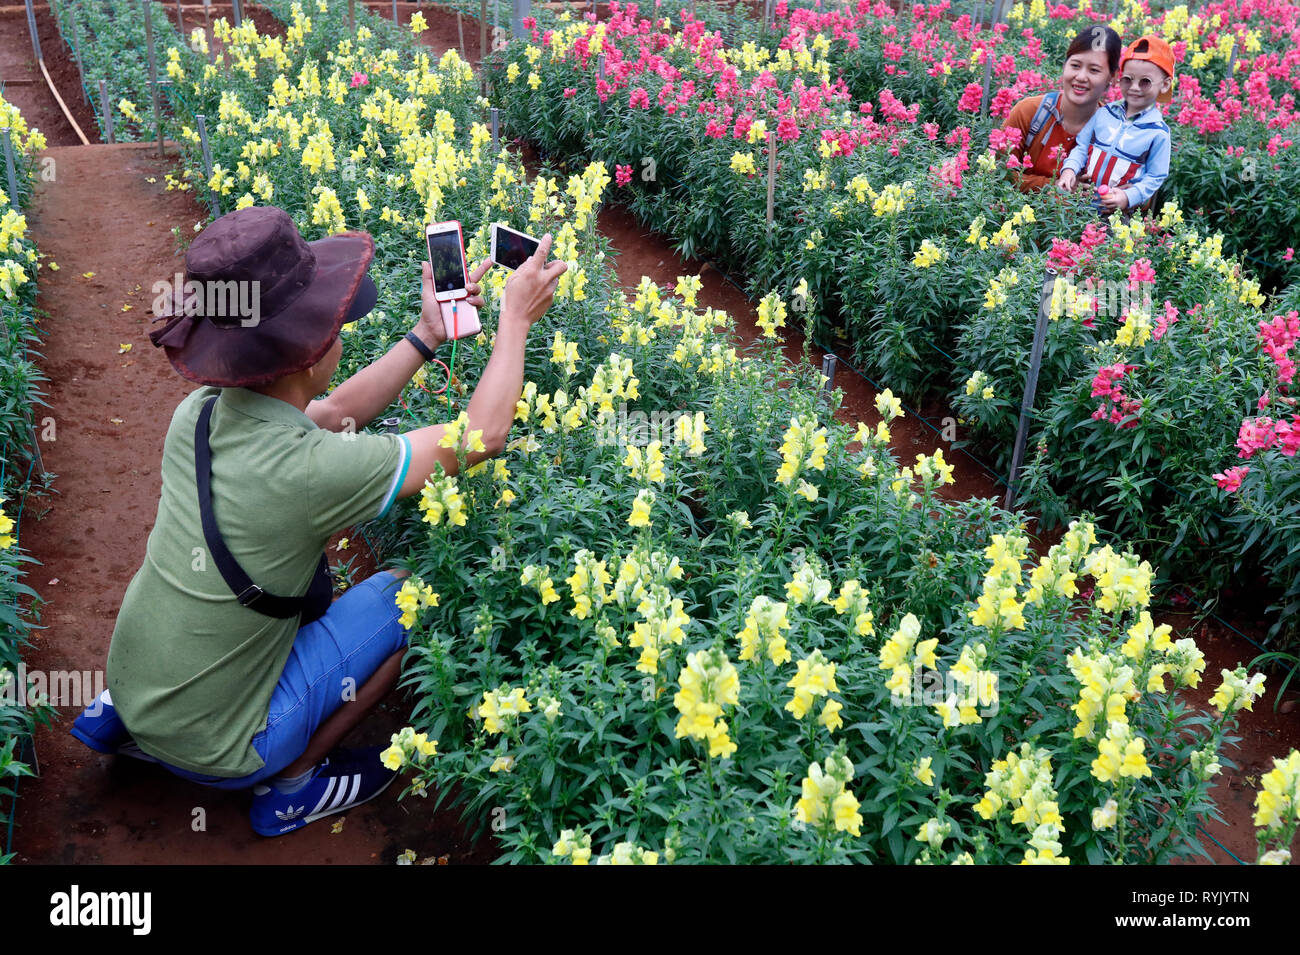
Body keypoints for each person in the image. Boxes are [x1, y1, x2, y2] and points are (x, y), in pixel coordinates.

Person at [70, 205, 566, 836]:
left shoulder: (197, 413)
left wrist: (425, 336)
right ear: (307, 351)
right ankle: (292, 784)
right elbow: (482, 435)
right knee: (408, 595)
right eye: (333, 326)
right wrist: (514, 323)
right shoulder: (310, 473)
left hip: (139, 688)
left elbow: (329, 414)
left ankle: (132, 717)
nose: (340, 331)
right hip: (223, 748)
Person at [1058, 35, 1175, 213]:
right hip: (1079, 203)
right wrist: (1069, 170)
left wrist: (1129, 197)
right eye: (1127, 79)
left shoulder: (1158, 132)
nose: (1134, 87)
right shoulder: (1105, 113)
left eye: (1145, 82)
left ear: (1165, 85)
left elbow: (1155, 176)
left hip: (1116, 215)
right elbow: (1082, 147)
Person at [1000, 25, 1123, 191]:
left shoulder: (1115, 132)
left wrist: (1127, 195)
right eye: (1075, 65)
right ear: (1064, 65)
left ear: (1113, 77)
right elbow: (1000, 174)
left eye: (1094, 70)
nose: (1080, 77)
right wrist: (1057, 189)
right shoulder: (1029, 112)